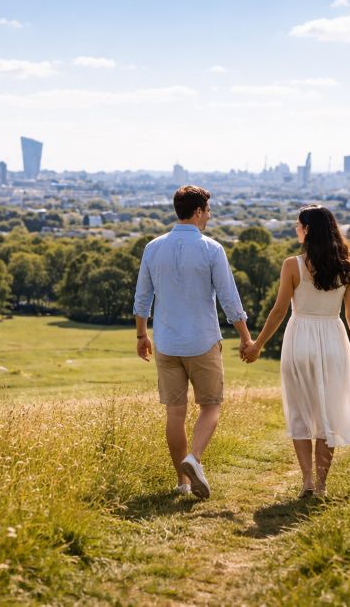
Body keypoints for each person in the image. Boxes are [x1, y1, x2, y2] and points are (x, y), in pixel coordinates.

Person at [242, 205, 350, 498]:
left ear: (308, 230)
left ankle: (306, 481)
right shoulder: (346, 266)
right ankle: (320, 484)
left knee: (300, 413)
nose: (295, 229)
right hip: (333, 339)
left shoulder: (292, 265)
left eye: (298, 225)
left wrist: (258, 345)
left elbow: (279, 310)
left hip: (300, 339)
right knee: (327, 414)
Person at [133, 185, 253, 500]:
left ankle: (182, 483)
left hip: (167, 342)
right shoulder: (212, 249)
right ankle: (194, 458)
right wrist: (245, 337)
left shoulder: (153, 248)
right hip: (202, 340)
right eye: (208, 211)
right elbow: (229, 298)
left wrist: (141, 335)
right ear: (198, 212)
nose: (209, 217)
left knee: (175, 413)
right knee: (211, 406)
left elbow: (142, 298)